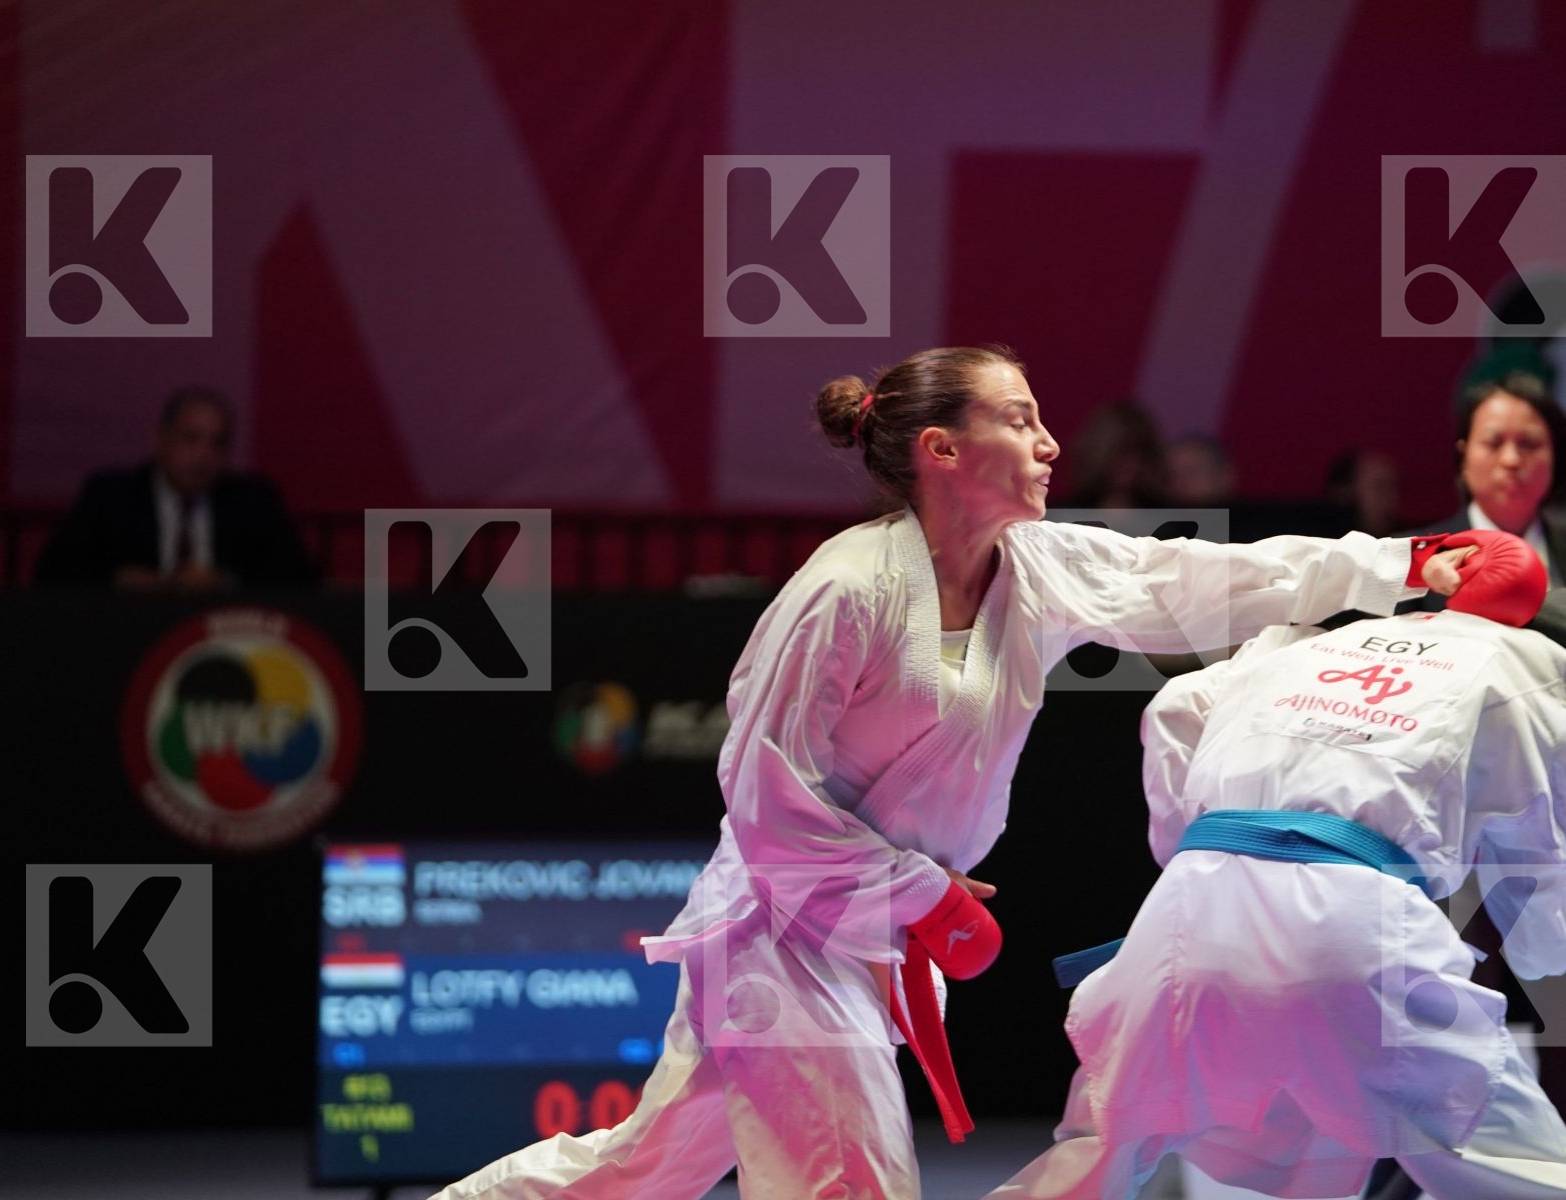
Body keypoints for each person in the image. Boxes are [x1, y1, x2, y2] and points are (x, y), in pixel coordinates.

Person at [431, 345, 1475, 1200]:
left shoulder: (1038, 564)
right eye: (1020, 419)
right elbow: (766, 809)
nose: (1050, 440)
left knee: (634, 1174)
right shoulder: (841, 593)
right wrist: (922, 891)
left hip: (874, 941)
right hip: (781, 942)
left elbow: (1193, 576)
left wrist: (1404, 564)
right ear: (942, 450)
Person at [988, 585, 1566, 1200]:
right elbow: (1548, 941)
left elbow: (1175, 704)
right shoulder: (1536, 672)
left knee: (1096, 1152)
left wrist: (1185, 845)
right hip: (1351, 935)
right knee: (1539, 1177)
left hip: (1189, 911)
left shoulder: (1319, 637)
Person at [1366, 371, 1566, 1197]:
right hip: (1453, 846)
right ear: (1463, 458)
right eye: (1495, 442)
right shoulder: (1425, 556)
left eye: (1532, 444)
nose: (1513, 459)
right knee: (1429, 1052)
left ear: (1556, 459)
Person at [34, 386, 318, 589]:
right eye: (190, 439)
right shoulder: (111, 497)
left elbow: (300, 578)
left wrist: (225, 582)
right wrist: (121, 580)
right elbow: (52, 572)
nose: (204, 455)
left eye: (218, 443)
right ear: (160, 440)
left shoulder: (254, 501)